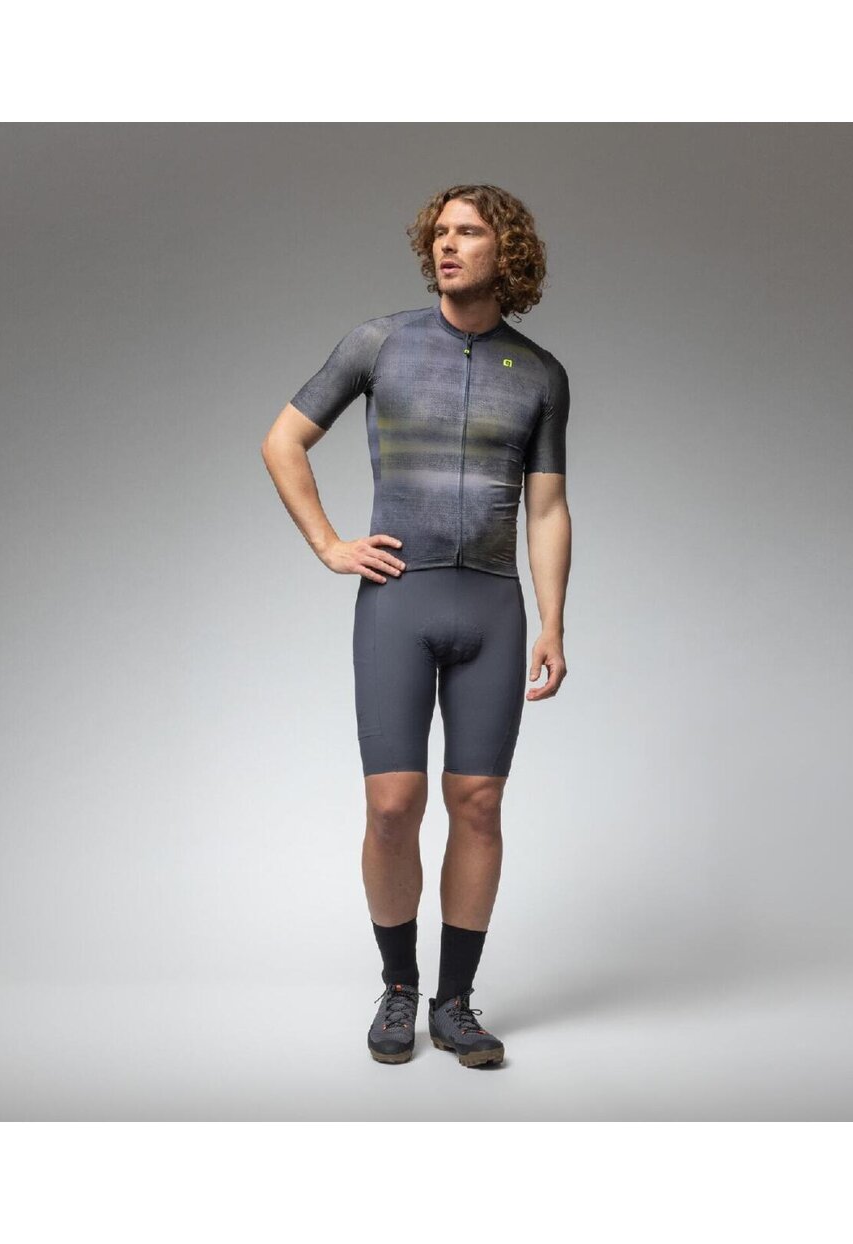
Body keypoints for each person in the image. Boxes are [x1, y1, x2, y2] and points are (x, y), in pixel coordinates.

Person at [260, 183, 571, 1068]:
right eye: (440, 232)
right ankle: (399, 988)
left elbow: (548, 508)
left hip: (492, 608)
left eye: (467, 232)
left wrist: (553, 622)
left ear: (506, 252)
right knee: (393, 805)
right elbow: (282, 441)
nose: (447, 244)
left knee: (479, 804)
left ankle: (456, 1004)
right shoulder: (380, 343)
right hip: (399, 602)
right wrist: (328, 544)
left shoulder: (540, 374)